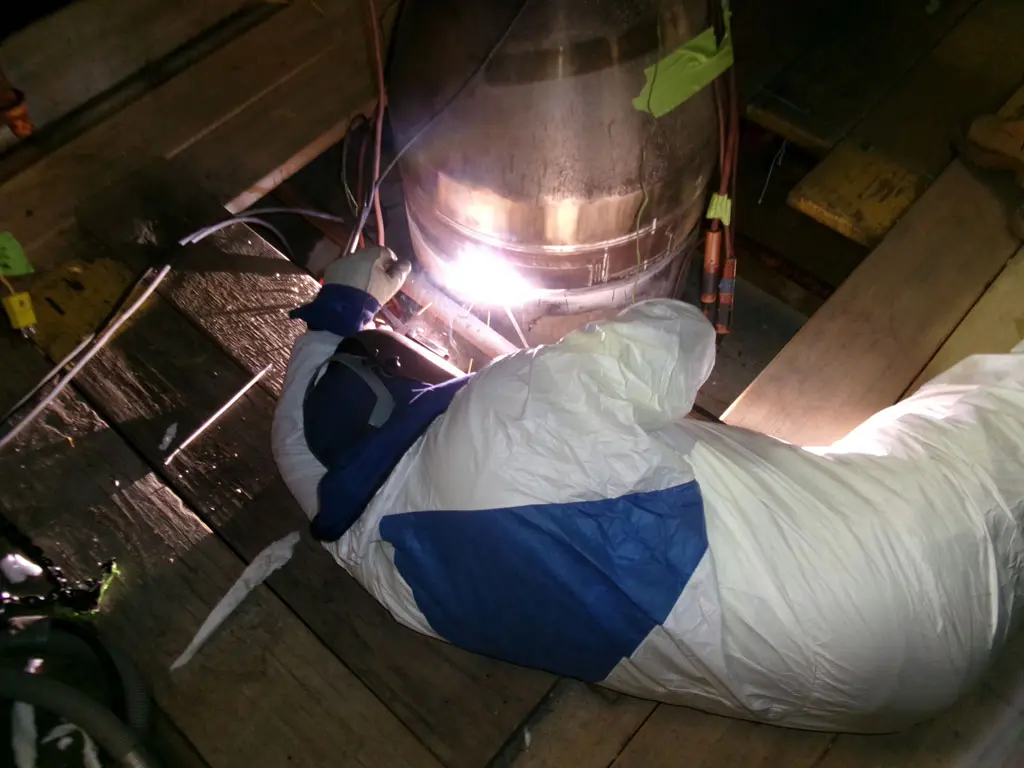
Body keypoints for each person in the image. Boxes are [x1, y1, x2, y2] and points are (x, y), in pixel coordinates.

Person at [274, 247, 1024, 733]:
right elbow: (682, 334)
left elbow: (298, 455)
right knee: (994, 404)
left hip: (887, 700)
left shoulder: (384, 570)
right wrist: (565, 343)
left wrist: (335, 316)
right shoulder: (510, 413)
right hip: (912, 558)